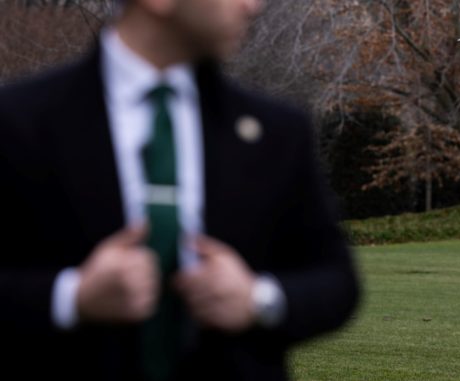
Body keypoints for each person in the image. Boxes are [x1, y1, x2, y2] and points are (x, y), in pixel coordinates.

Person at [0, 0, 359, 380]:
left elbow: (337, 281)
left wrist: (256, 299)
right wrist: (73, 297)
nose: (253, 6)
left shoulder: (277, 131)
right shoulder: (18, 123)